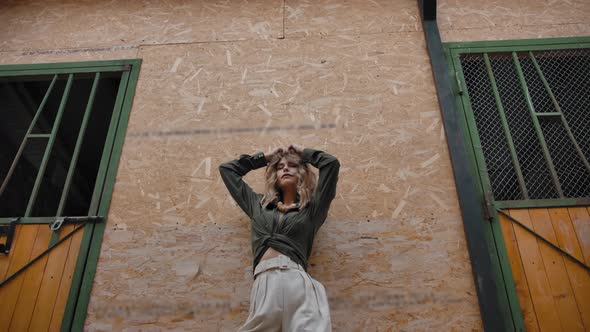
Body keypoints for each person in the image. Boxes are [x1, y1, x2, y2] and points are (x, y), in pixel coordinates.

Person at [219, 144, 340, 332]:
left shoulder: (313, 209)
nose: (285, 168)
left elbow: (330, 164)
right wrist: (264, 158)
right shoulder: (258, 205)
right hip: (265, 283)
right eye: (279, 166)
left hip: (296, 282)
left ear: (301, 172)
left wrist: (303, 153)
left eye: (291, 165)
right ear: (274, 176)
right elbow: (227, 170)